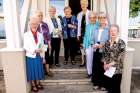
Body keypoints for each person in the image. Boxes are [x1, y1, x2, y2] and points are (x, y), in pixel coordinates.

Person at [102, 24, 126, 93]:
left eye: (115, 31)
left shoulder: (121, 43)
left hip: (117, 70)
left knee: (115, 89)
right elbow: (104, 54)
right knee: (109, 88)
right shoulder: (107, 42)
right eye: (111, 31)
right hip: (108, 70)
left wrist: (109, 65)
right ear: (109, 32)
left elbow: (120, 57)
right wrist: (105, 64)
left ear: (118, 32)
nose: (113, 32)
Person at [24, 16, 44, 92]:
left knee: (38, 70)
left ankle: (38, 83)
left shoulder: (40, 35)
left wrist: (43, 56)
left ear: (38, 24)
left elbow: (42, 46)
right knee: (32, 70)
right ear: (30, 24)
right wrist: (34, 50)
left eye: (36, 24)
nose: (34, 25)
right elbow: (25, 46)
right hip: (31, 55)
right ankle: (33, 85)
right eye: (32, 24)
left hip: (39, 56)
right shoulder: (26, 34)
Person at [91, 12, 109, 90]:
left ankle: (103, 85)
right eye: (100, 18)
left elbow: (110, 41)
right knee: (96, 67)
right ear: (99, 19)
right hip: (96, 50)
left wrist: (102, 45)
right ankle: (96, 83)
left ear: (106, 19)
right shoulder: (95, 29)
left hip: (104, 50)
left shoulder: (108, 29)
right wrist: (93, 44)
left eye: (103, 17)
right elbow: (92, 40)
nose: (102, 19)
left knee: (103, 68)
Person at [34, 10, 53, 77]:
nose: (40, 17)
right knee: (40, 57)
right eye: (39, 15)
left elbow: (48, 35)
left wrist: (49, 44)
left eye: (41, 15)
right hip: (38, 44)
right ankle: (41, 71)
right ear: (36, 16)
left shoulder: (45, 24)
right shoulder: (34, 24)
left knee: (46, 57)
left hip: (45, 43)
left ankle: (47, 71)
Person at [83, 11, 99, 78]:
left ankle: (95, 73)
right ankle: (89, 73)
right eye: (90, 18)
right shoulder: (87, 26)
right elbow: (85, 36)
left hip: (96, 46)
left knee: (95, 60)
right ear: (89, 18)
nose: (92, 19)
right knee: (89, 60)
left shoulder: (98, 25)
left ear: (96, 18)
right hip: (88, 46)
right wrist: (84, 45)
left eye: (93, 17)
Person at [77, 0, 90, 67]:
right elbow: (78, 26)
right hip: (81, 34)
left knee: (88, 48)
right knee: (82, 47)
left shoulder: (90, 13)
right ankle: (83, 61)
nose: (83, 5)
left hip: (88, 34)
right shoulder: (79, 14)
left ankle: (88, 61)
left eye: (84, 3)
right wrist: (78, 34)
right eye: (82, 4)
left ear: (87, 5)